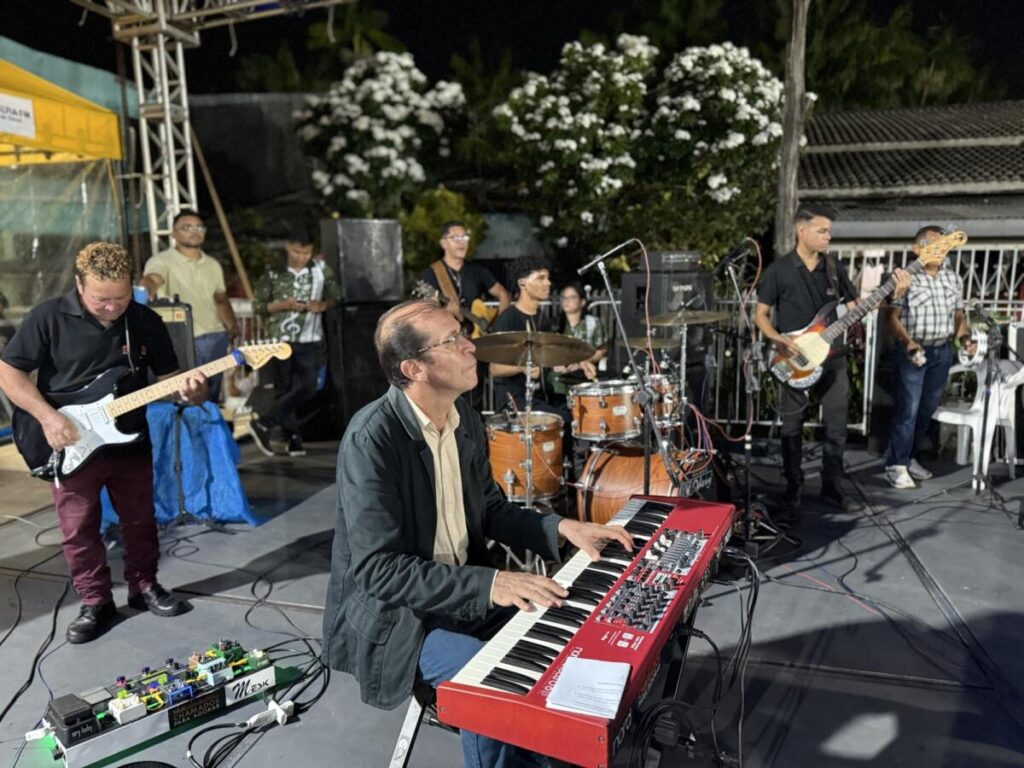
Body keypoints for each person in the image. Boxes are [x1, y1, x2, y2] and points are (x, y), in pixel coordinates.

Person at [322, 299, 632, 767]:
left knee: (568, 634)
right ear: (413, 368)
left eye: (462, 334)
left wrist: (563, 527)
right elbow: (378, 570)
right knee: (495, 684)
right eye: (452, 341)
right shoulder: (372, 438)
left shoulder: (463, 416)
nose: (470, 347)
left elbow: (489, 509)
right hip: (403, 620)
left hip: (462, 596)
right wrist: (494, 583)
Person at [0, 242, 206, 644]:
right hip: (70, 440)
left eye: (121, 297)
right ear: (79, 285)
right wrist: (47, 416)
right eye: (101, 299)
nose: (112, 307)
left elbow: (170, 379)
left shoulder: (145, 320)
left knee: (141, 520)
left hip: (130, 440)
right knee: (79, 528)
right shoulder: (48, 317)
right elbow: (9, 373)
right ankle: (95, 600)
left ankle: (144, 586)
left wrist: (192, 391)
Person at [754, 204, 911, 514]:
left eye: (829, 231)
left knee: (836, 426)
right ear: (802, 231)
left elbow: (857, 307)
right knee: (792, 426)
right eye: (822, 230)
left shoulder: (834, 268)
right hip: (795, 358)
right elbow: (761, 314)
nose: (828, 236)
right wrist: (778, 339)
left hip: (834, 357)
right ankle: (793, 486)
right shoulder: (778, 270)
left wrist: (894, 294)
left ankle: (832, 486)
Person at [882, 226, 974, 489]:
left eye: (944, 245)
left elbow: (958, 315)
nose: (941, 251)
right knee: (908, 409)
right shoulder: (905, 278)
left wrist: (965, 339)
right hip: (914, 351)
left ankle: (909, 457)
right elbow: (891, 317)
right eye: (935, 245)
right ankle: (896, 465)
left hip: (942, 350)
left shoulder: (953, 278)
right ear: (917, 249)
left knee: (927, 408)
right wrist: (908, 343)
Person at [249, 227, 342, 457]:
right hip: (279, 339)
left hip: (310, 337)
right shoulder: (273, 273)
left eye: (306, 253)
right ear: (287, 247)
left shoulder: (320, 270)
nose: (301, 257)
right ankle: (292, 438)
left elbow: (337, 296)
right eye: (296, 252)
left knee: (308, 387)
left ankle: (266, 422)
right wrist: (284, 305)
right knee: (283, 389)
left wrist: (321, 305)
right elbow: (259, 306)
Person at [141, 210, 240, 402]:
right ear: (173, 233)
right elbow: (152, 278)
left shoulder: (212, 264)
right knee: (188, 396)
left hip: (216, 337)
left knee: (212, 396)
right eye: (187, 227)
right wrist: (147, 288)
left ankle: (208, 421)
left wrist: (232, 327)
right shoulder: (161, 261)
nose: (195, 231)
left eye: (199, 227)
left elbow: (220, 298)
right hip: (184, 339)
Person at [418, 220, 511, 331]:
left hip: (477, 337)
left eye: (464, 237)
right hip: (448, 334)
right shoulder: (431, 274)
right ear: (443, 243)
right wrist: (446, 313)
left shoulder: (478, 270)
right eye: (455, 238)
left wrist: (499, 323)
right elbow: (428, 315)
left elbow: (503, 294)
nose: (461, 242)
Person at [548, 282, 606, 399]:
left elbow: (601, 350)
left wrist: (581, 362)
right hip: (559, 370)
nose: (567, 301)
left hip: (583, 369)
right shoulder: (554, 324)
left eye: (572, 297)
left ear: (582, 302)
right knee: (555, 379)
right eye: (564, 297)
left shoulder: (593, 323)